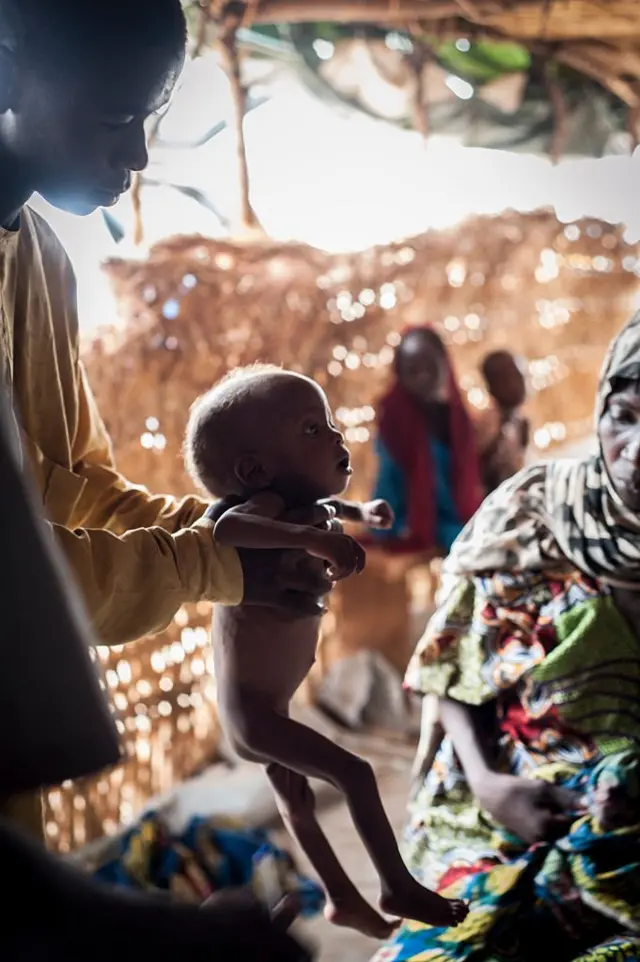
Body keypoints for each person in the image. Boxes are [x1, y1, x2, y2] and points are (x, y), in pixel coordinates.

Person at [0, 0, 331, 839]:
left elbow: (74, 492)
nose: (140, 153)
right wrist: (206, 564)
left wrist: (237, 528)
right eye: (117, 117)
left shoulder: (38, 260)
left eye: (149, 117)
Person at [0, 377, 310, 962]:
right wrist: (208, 554)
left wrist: (215, 525)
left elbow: (80, 482)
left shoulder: (43, 282)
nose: (336, 441)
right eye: (314, 429)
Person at [375, 312, 640, 962]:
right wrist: (491, 786)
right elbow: (451, 668)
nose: (636, 450)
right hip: (502, 802)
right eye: (625, 415)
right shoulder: (532, 522)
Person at [184, 365, 468, 938]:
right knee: (355, 775)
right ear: (255, 470)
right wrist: (310, 539)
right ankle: (395, 884)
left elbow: (334, 513)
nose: (337, 437)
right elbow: (223, 532)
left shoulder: (307, 509)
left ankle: (342, 898)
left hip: (275, 698)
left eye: (332, 423)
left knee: (295, 802)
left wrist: (367, 516)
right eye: (313, 429)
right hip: (254, 713)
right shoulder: (258, 513)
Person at [371, 326, 482, 557]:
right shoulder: (394, 421)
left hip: (458, 525)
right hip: (409, 528)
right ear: (400, 374)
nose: (422, 375)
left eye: (429, 366)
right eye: (412, 369)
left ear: (444, 364)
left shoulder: (457, 418)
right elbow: (388, 495)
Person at [476, 349, 529, 494]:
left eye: (519, 375)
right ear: (491, 388)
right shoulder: (489, 428)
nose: (518, 384)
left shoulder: (520, 422)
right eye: (507, 379)